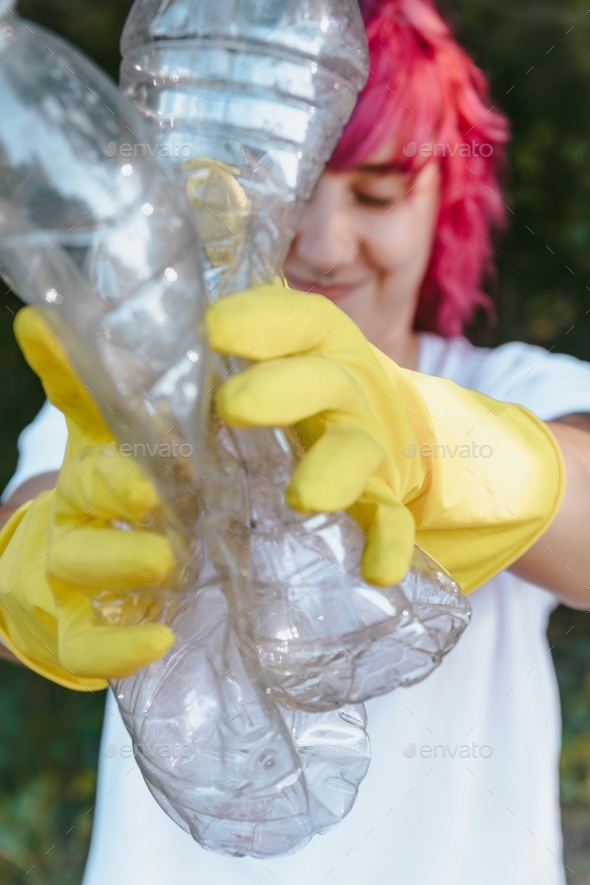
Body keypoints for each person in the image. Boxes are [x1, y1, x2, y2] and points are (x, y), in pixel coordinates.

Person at [1, 0, 590, 883]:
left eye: (378, 191)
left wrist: (430, 446)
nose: (324, 242)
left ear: (450, 195)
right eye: (290, 183)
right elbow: (36, 508)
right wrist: (29, 569)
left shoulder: (516, 388)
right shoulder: (131, 391)